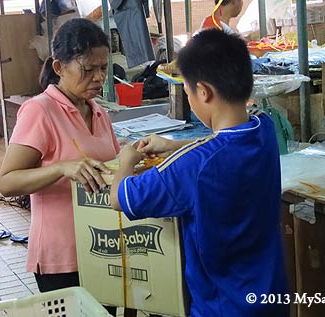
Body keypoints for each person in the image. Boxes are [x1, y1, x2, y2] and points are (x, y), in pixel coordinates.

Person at [110, 29, 289, 317]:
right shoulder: (263, 129)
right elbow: (226, 146)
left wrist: (126, 161)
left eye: (188, 91)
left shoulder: (190, 167)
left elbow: (121, 198)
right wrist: (175, 145)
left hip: (222, 308)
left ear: (203, 92)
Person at [0, 18, 120, 315]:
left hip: (102, 248)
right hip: (62, 258)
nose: (98, 77)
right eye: (87, 69)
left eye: (103, 68)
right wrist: (62, 168)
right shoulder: (40, 111)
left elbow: (110, 164)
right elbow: (7, 182)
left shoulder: (98, 111)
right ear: (59, 67)